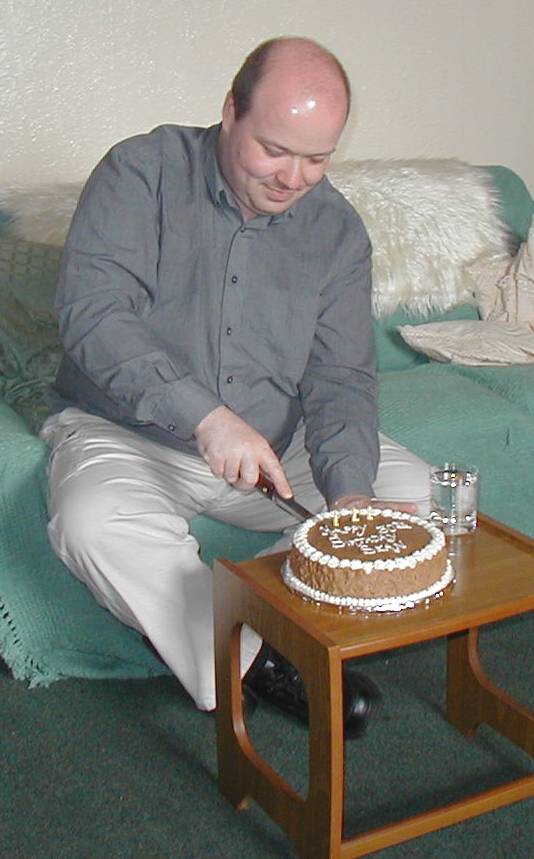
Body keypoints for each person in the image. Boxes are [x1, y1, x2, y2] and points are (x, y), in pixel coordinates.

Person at [40, 36, 429, 737]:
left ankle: (252, 628)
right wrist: (207, 416)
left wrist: (348, 498)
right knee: (91, 523)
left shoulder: (337, 230)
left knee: (416, 500)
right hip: (130, 433)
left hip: (276, 446)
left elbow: (341, 377)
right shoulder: (141, 172)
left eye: (317, 158)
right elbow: (94, 315)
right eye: (274, 150)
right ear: (229, 112)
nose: (293, 177)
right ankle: (261, 662)